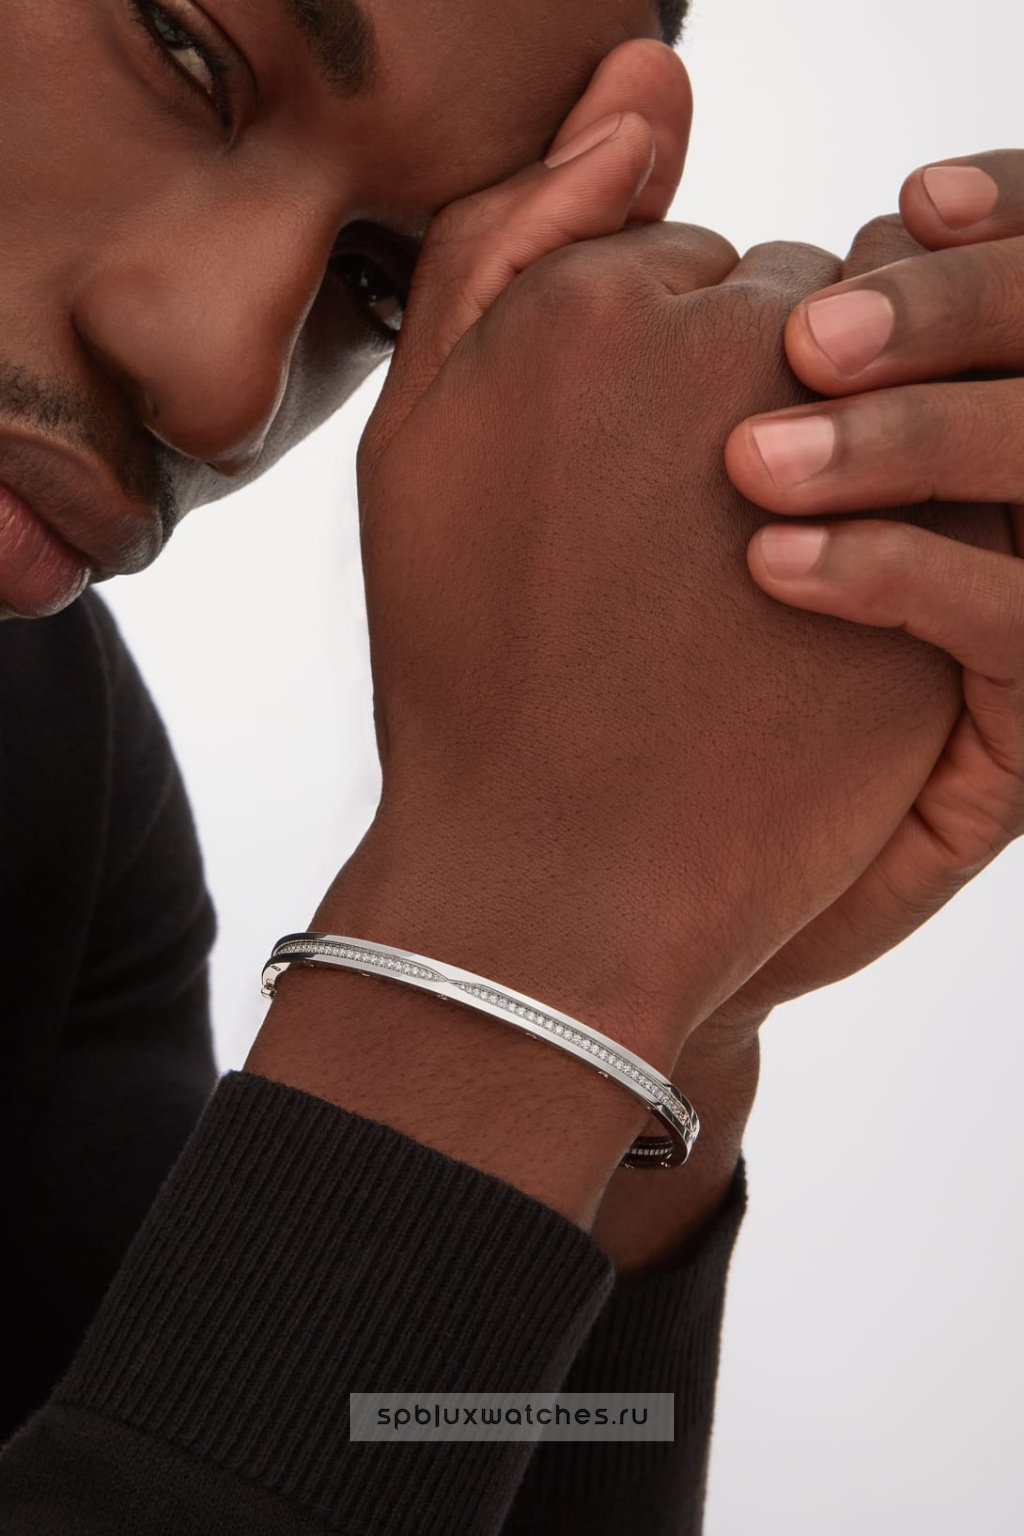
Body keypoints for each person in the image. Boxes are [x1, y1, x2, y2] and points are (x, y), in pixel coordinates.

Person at [0, 4, 1021, 1533]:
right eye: (188, 51)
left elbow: (368, 1428)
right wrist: (509, 950)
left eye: (379, 280)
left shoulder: (53, 786)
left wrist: (654, 1009)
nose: (226, 383)